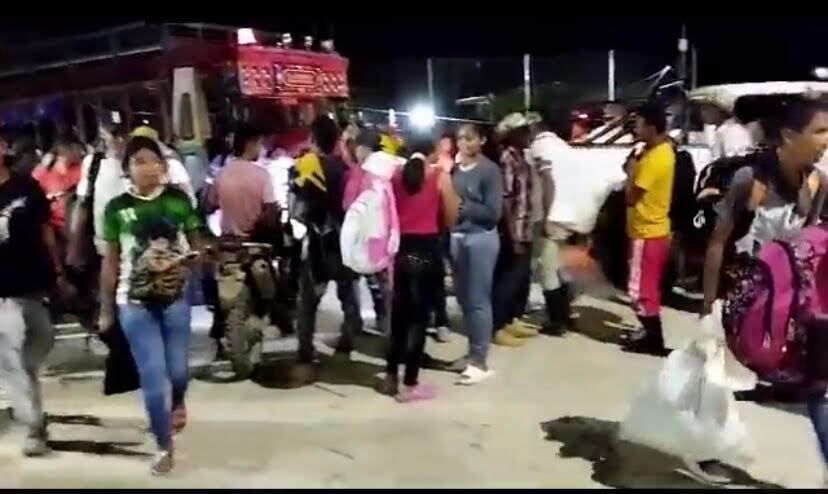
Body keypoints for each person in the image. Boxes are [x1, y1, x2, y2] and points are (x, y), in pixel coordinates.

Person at [701, 96, 828, 482]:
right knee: (716, 379)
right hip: (741, 299)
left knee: (818, 388)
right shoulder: (749, 180)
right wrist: (709, 309)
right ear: (789, 135)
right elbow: (718, 242)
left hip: (788, 301)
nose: (826, 140)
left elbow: (812, 241)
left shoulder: (818, 182)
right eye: (819, 131)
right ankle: (704, 449)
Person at [99, 136, 202, 475]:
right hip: (133, 303)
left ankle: (179, 400)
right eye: (139, 161)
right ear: (127, 169)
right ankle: (163, 445)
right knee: (154, 378)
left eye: (154, 160)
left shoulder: (178, 201)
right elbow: (111, 262)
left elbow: (197, 244)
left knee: (178, 372)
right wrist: (106, 308)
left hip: (174, 299)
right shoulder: (116, 209)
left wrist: (190, 265)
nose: (149, 167)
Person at [0, 127, 69, 457]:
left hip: (34, 286)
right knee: (13, 358)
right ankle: (31, 425)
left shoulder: (26, 187)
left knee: (38, 345)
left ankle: (29, 412)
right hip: (2, 293)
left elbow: (47, 231)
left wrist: (57, 270)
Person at [378, 144, 460, 401]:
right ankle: (410, 383)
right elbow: (451, 219)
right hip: (426, 251)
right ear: (432, 153)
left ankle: (391, 376)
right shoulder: (439, 177)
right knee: (419, 320)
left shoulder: (394, 176)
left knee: (400, 316)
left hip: (401, 250)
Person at [290, 116, 362, 386]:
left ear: (312, 138)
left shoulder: (304, 166)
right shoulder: (347, 170)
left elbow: (297, 208)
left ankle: (305, 350)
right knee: (348, 293)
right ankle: (349, 337)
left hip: (318, 242)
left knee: (308, 302)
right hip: (343, 242)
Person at [448, 123, 503, 385]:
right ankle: (471, 352)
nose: (463, 144)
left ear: (481, 140)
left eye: (469, 138)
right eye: (460, 138)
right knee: (463, 300)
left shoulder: (490, 171)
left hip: (480, 239)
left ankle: (480, 361)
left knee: (478, 300)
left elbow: (493, 212)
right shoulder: (455, 169)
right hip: (457, 238)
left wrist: (463, 207)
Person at [623, 103, 676, 356]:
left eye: (640, 124)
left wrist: (631, 171)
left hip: (646, 231)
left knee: (639, 290)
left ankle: (653, 340)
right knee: (648, 287)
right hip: (655, 230)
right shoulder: (662, 151)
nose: (636, 129)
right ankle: (651, 336)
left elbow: (632, 197)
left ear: (652, 128)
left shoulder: (654, 159)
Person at [343, 129, 402, 337]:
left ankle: (353, 328)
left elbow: (348, 204)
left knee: (353, 281)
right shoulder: (392, 168)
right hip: (386, 237)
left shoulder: (360, 171)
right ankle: (389, 329)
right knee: (385, 287)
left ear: (363, 148)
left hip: (364, 238)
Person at [527, 110, 579, 336]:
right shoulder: (563, 146)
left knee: (547, 268)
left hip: (547, 215)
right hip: (567, 214)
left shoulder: (540, 147)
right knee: (559, 266)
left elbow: (547, 181)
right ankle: (565, 314)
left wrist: (546, 216)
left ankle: (557, 320)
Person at [492, 113, 539, 347]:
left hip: (525, 225)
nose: (528, 134)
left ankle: (512, 318)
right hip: (514, 230)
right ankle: (498, 326)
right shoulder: (508, 159)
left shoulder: (522, 157)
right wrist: (513, 235)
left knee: (520, 278)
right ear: (513, 135)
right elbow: (506, 200)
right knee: (507, 279)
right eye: (523, 131)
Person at [207, 123, 280, 238]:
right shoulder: (262, 175)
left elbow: (210, 204)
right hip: (255, 241)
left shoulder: (221, 174)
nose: (261, 149)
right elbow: (271, 212)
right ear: (250, 144)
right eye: (260, 144)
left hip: (228, 242)